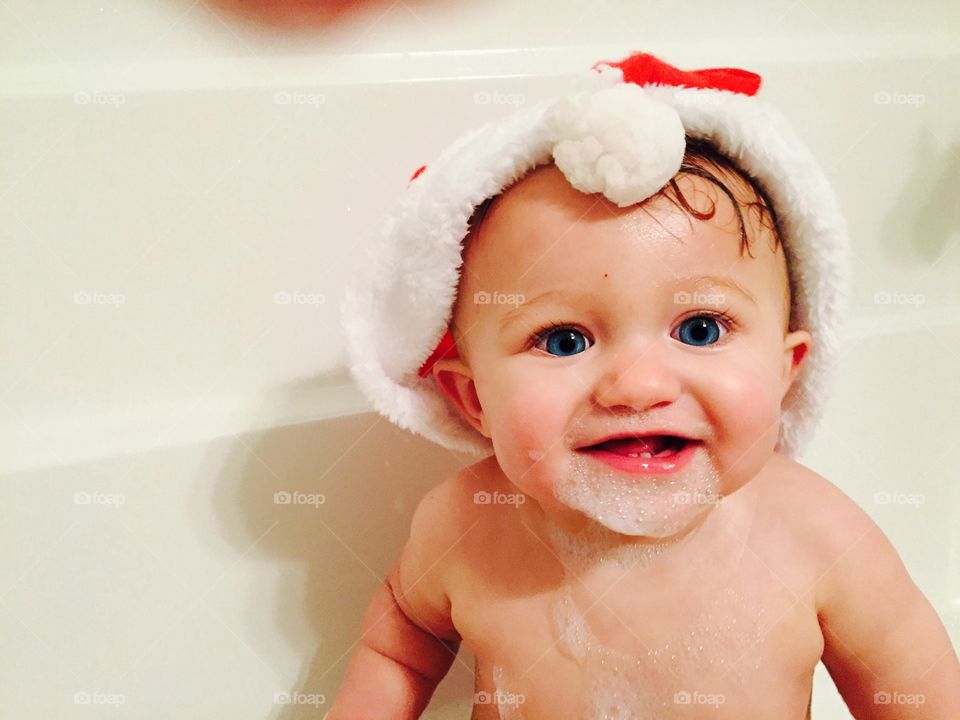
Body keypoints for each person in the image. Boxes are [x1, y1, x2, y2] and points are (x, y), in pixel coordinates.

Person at [334, 51, 960, 718]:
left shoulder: (817, 536)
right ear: (474, 399)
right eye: (564, 340)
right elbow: (403, 641)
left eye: (699, 330)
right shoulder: (467, 523)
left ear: (785, 370)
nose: (636, 387)